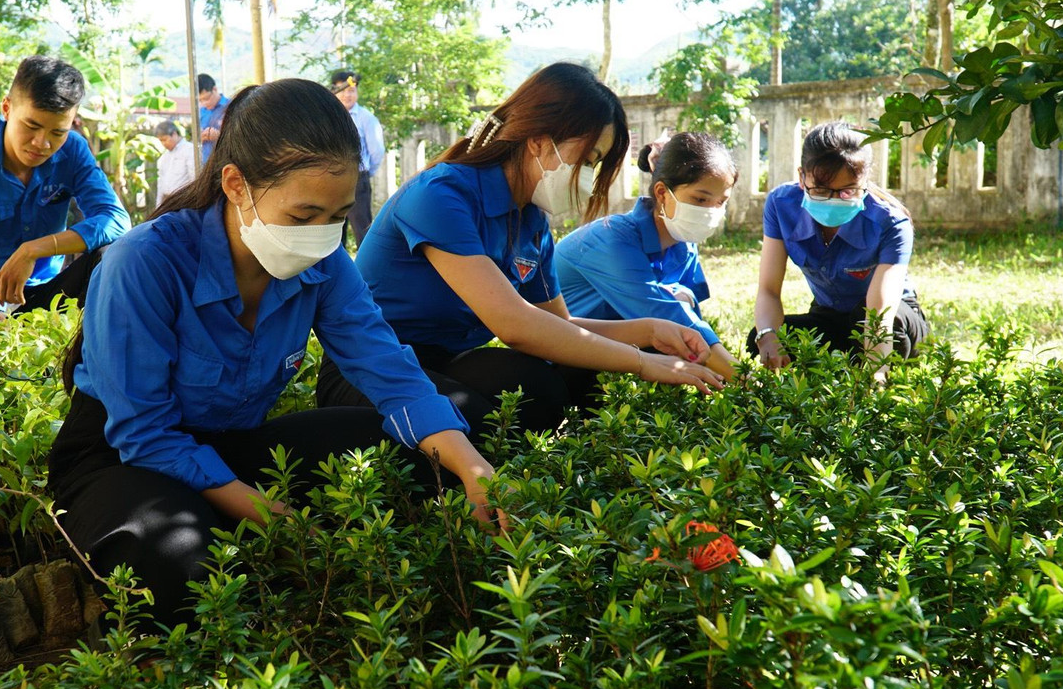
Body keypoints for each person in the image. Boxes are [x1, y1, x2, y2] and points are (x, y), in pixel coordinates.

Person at [49, 78, 500, 628]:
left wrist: (475, 468)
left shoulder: (325, 264)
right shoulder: (144, 262)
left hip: (232, 448)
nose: (322, 235)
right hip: (121, 459)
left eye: (338, 216)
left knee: (434, 452)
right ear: (236, 184)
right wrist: (268, 515)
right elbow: (144, 433)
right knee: (182, 559)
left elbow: (390, 372)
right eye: (304, 215)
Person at [316, 63, 724, 438]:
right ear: (540, 143)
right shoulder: (442, 195)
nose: (587, 177)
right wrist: (643, 362)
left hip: (443, 361)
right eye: (587, 159)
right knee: (471, 416)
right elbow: (514, 326)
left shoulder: (529, 220)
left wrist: (650, 331)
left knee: (543, 390)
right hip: (369, 367)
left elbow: (560, 327)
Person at [0, 55, 131, 326]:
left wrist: (32, 250)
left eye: (58, 132)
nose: (41, 143)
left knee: (110, 255)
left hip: (47, 293)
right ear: (7, 109)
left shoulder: (74, 151)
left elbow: (116, 220)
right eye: (31, 126)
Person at [749, 121, 929, 382]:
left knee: (879, 328)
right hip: (829, 312)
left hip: (889, 316)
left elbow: (879, 312)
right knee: (764, 335)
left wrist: (875, 376)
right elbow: (768, 289)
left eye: (848, 191)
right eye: (821, 190)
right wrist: (768, 337)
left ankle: (859, 365)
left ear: (864, 181)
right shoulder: (781, 205)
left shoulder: (890, 222)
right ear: (802, 176)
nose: (834, 200)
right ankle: (844, 362)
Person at [555, 132, 740, 379]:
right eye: (700, 199)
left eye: (720, 202)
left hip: (624, 348)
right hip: (567, 357)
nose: (710, 211)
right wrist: (746, 380)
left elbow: (687, 308)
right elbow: (668, 316)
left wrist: (683, 297)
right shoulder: (613, 240)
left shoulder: (683, 242)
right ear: (662, 193)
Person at [330, 69, 385, 244]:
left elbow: (376, 152)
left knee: (363, 229)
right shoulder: (329, 117)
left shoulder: (366, 119)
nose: (347, 95)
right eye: (343, 90)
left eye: (351, 91)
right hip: (332, 180)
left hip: (357, 179)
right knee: (334, 232)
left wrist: (364, 174)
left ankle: (366, 270)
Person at [154, 120, 195, 203]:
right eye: (161, 141)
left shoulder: (189, 150)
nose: (163, 143)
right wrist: (158, 205)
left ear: (174, 134)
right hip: (166, 200)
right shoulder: (164, 157)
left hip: (183, 200)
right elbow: (161, 183)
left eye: (165, 139)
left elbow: (194, 178)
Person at [196, 73, 231, 163]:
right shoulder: (200, 112)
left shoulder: (231, 106)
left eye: (206, 98)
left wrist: (219, 137)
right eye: (200, 100)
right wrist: (200, 137)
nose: (204, 103)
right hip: (206, 163)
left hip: (226, 162)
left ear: (214, 89)